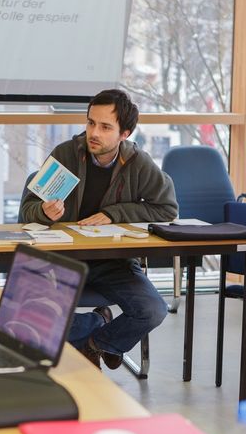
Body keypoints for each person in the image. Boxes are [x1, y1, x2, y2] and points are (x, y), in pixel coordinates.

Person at [19, 89, 178, 369]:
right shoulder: (66, 154)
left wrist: (113, 213)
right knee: (24, 321)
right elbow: (27, 210)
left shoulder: (138, 164)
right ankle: (98, 321)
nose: (94, 132)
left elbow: (167, 210)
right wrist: (43, 212)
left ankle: (98, 344)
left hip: (113, 263)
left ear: (124, 134)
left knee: (153, 310)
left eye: (105, 127)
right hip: (62, 261)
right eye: (91, 123)